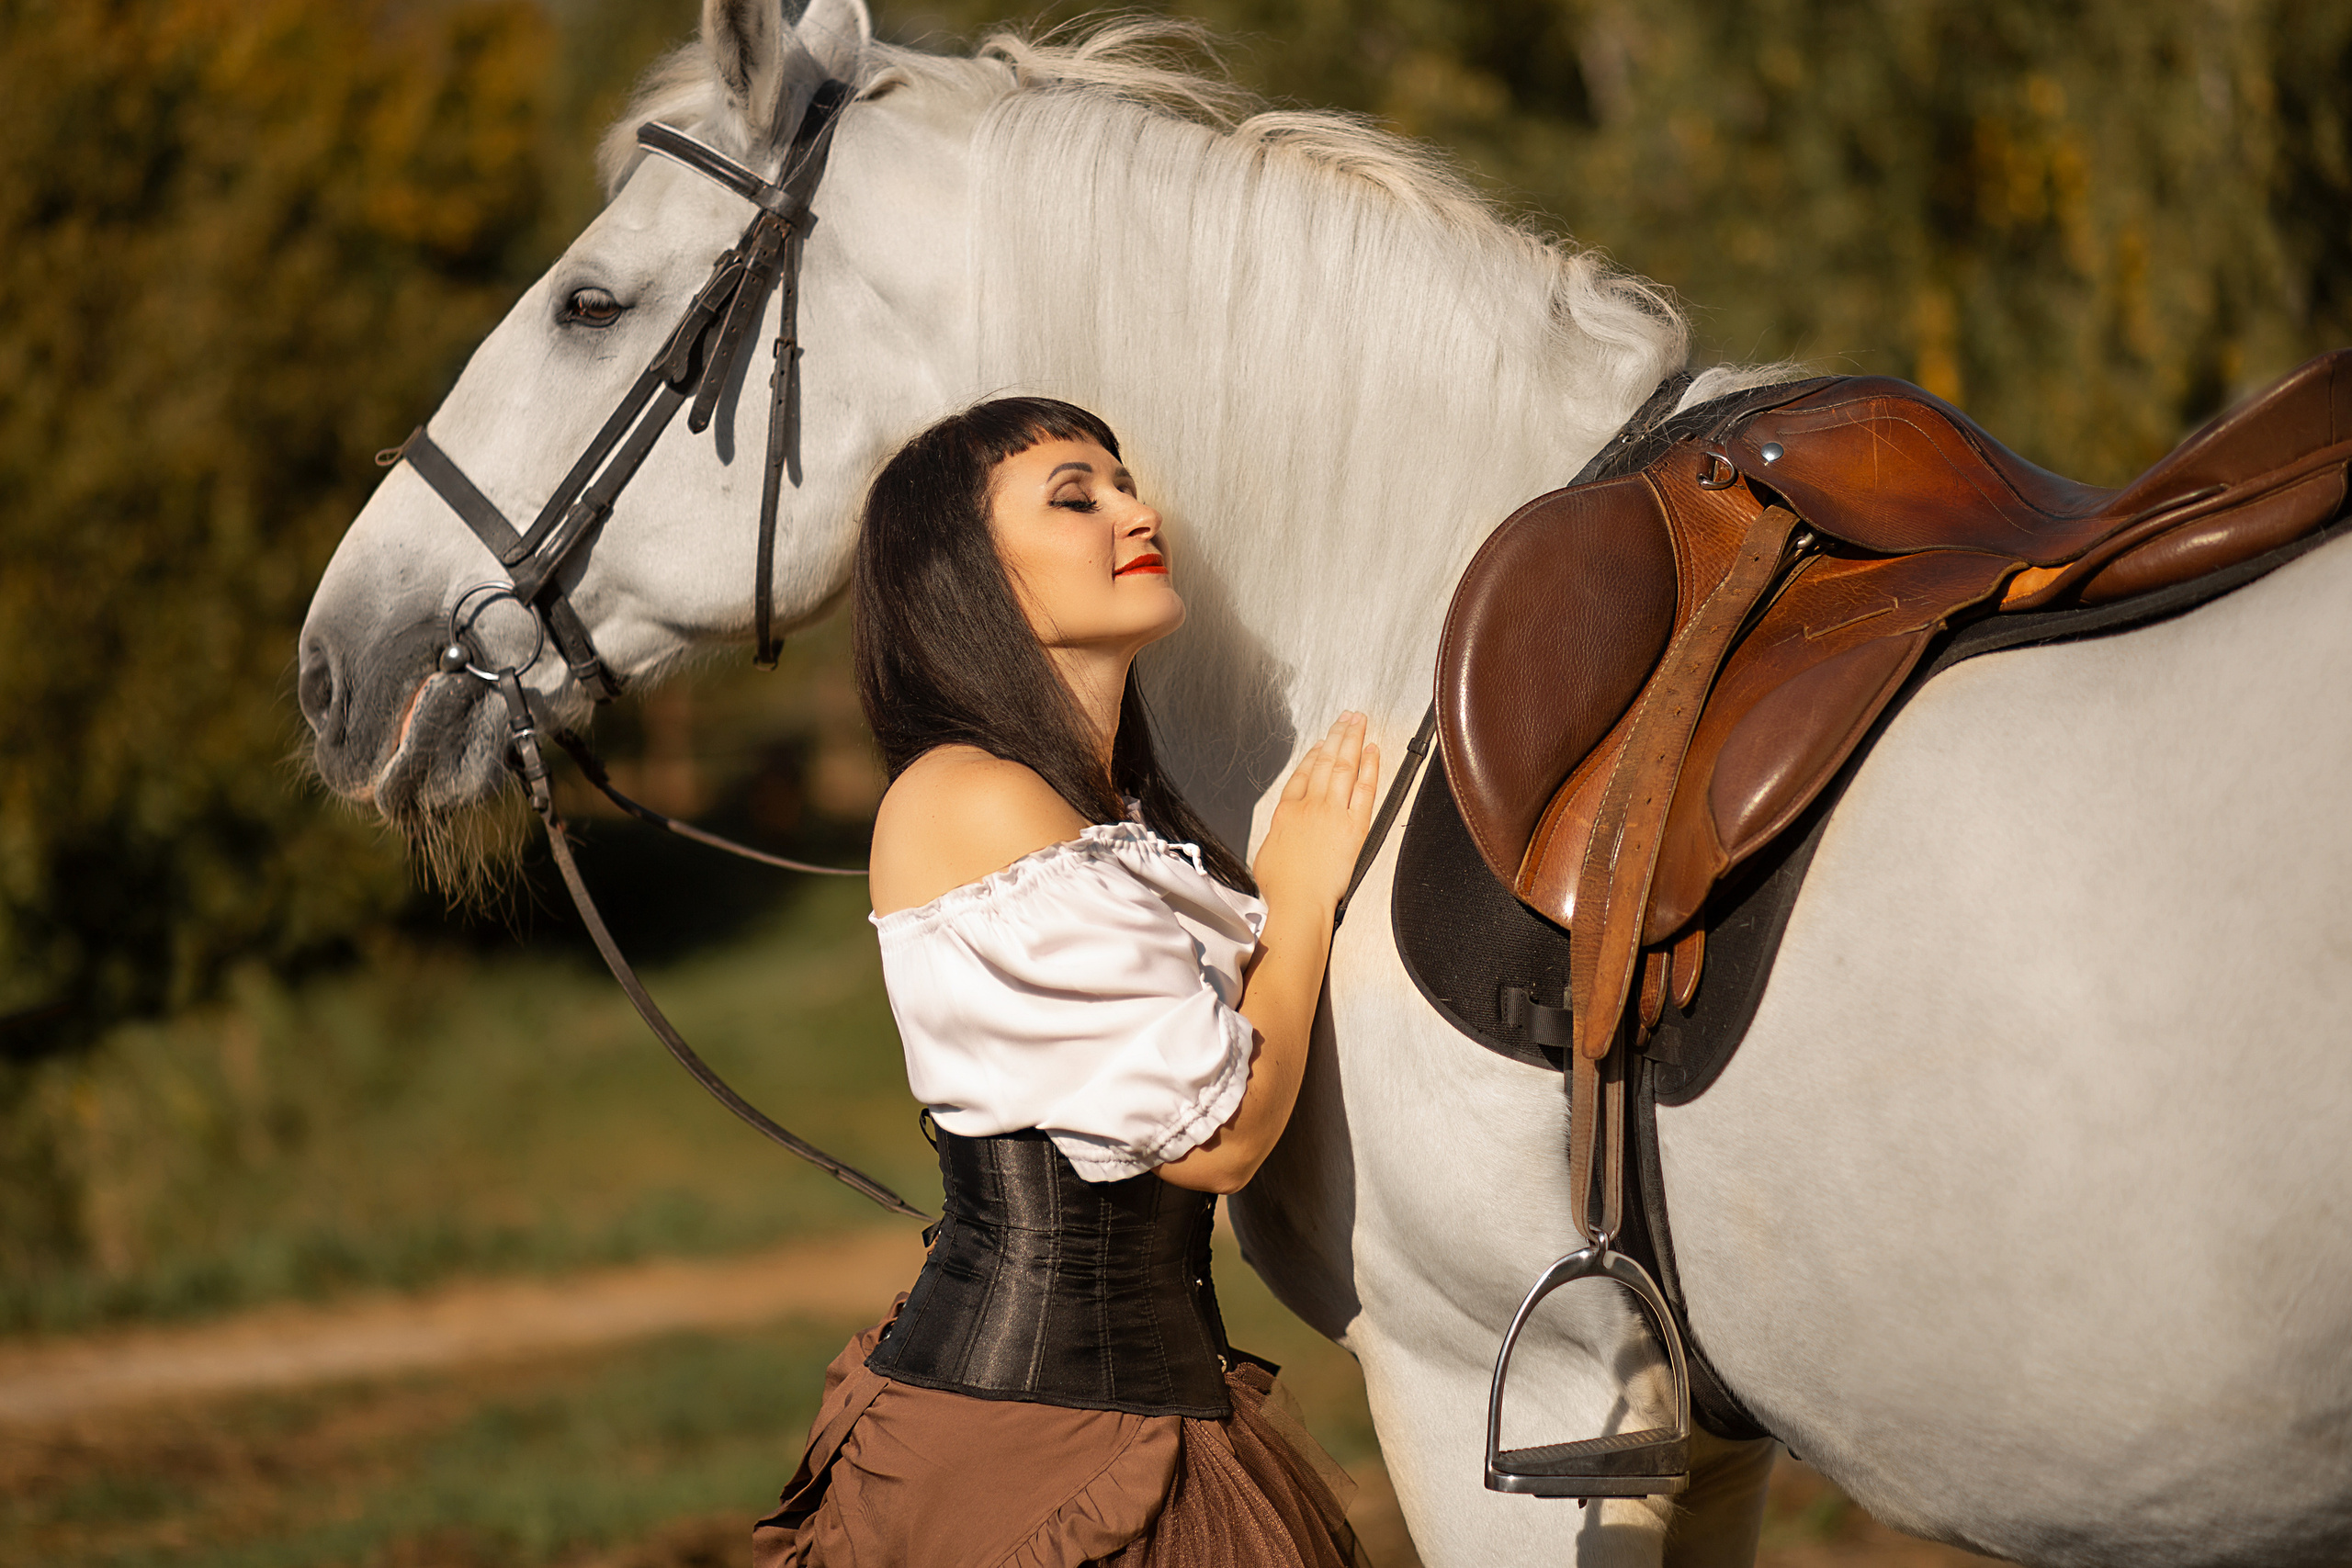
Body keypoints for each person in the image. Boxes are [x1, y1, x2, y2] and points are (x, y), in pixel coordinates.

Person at [752, 397, 1380, 1567]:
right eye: (1073, 496)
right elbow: (1221, 1141)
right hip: (1026, 1442)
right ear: (966, 577)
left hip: (1143, 1411)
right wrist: (1298, 897)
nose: (1134, 512)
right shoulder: (972, 798)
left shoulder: (1102, 815)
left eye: (1123, 483)